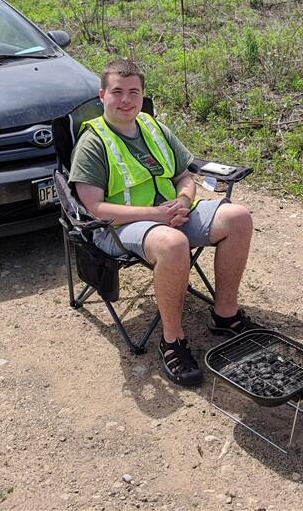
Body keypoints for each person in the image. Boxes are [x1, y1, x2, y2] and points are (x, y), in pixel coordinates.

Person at [69, 59, 261, 387]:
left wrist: (184, 201)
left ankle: (225, 315)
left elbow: (185, 175)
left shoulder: (154, 128)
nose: (126, 99)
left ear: (143, 96)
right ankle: (172, 340)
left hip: (170, 214)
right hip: (116, 229)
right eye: (117, 92)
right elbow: (95, 208)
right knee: (173, 244)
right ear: (102, 95)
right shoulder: (94, 142)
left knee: (238, 218)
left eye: (134, 92)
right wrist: (158, 215)